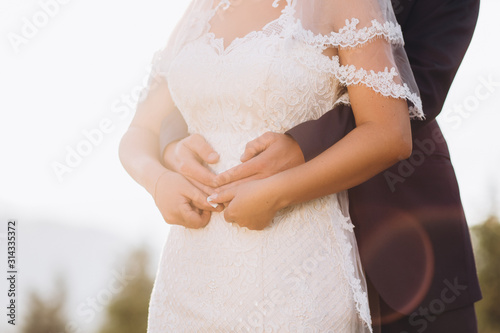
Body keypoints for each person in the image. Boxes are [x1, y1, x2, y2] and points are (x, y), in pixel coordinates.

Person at [159, 0, 483, 332]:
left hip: (398, 219)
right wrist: (171, 148)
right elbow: (201, 83)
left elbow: (418, 87)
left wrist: (302, 144)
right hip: (232, 244)